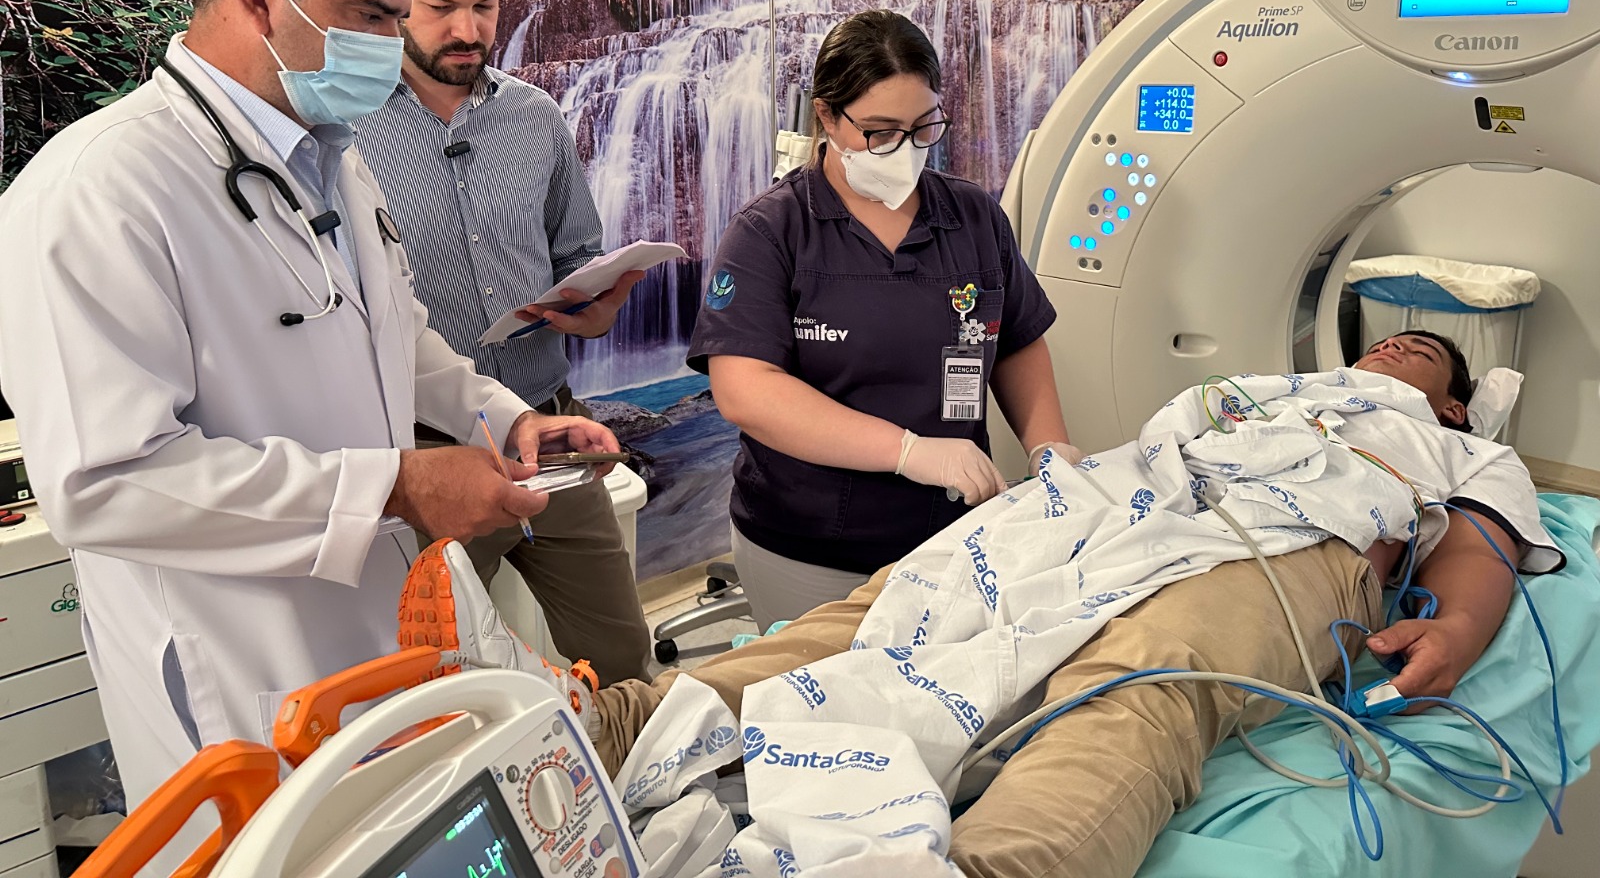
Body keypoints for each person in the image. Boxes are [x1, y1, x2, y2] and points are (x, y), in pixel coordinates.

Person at [404, 330, 1561, 878]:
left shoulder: (1448, 444)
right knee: (895, 609)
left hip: (1291, 544)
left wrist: (1457, 626)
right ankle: (591, 726)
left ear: (1456, 405)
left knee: (1142, 683)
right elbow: (1149, 447)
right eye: (1391, 336)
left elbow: (1481, 543)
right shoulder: (1250, 392)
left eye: (1425, 353)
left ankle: (994, 867)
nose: (1398, 348)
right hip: (1122, 501)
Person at [0, 0, 620, 847]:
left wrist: (503, 419)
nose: (390, 45)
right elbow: (103, 483)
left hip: (368, 642)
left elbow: (396, 335)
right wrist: (396, 487)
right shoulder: (99, 192)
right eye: (370, 16)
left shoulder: (327, 161)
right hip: (235, 668)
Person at [688, 10, 1079, 628]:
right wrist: (908, 452)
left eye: (924, 127)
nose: (905, 149)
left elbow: (1017, 340)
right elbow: (746, 391)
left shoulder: (973, 217)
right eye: (880, 132)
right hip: (811, 547)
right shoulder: (771, 232)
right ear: (826, 117)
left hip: (959, 536)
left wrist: (1049, 448)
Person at [354, 0, 650, 684]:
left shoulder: (535, 117)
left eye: (486, 6)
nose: (469, 30)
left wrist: (592, 307)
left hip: (548, 427)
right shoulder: (342, 134)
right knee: (440, 687)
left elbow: (575, 256)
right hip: (425, 458)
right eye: (440, 7)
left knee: (625, 662)